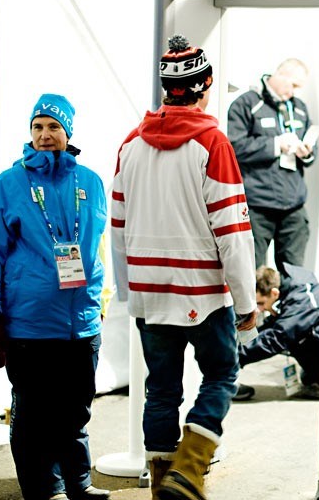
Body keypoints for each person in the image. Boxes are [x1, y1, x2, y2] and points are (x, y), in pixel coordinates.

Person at [110, 35, 257, 500]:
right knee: (221, 374)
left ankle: (161, 488)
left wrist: (128, 292)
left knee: (161, 390)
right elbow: (233, 234)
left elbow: (116, 226)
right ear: (205, 85)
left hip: (150, 291)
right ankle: (189, 471)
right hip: (202, 290)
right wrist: (247, 303)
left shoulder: (131, 143)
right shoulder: (212, 142)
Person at [0, 94, 110, 500]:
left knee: (76, 409)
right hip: (29, 323)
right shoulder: (9, 185)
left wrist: (99, 303)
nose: (45, 135)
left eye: (53, 127)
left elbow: (99, 248)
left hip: (81, 322)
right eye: (38, 127)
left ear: (68, 131)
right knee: (34, 414)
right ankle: (44, 489)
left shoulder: (90, 181)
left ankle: (78, 483)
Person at [227, 58, 317, 268]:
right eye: (293, 85)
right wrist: (275, 145)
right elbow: (234, 147)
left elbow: (313, 152)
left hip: (293, 206)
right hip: (257, 205)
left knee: (295, 275)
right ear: (279, 75)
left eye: (298, 88)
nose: (294, 92)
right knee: (253, 273)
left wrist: (306, 153)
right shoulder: (246, 103)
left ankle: (292, 301)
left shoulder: (300, 108)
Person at [233, 262, 319, 401]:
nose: (259, 309)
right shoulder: (294, 289)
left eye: (261, 303)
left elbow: (278, 336)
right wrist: (237, 342)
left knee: (293, 336)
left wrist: (231, 356)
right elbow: (272, 328)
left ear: (274, 292)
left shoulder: (303, 301)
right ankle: (315, 376)